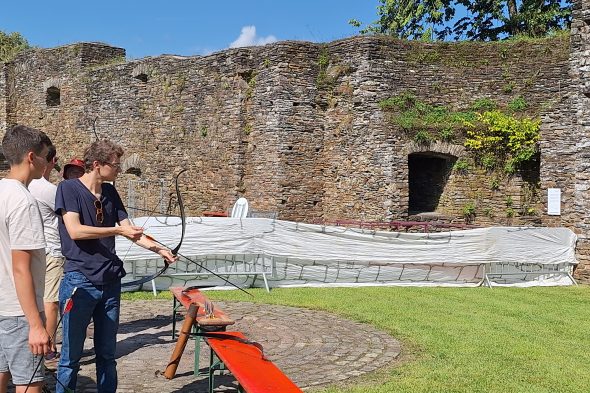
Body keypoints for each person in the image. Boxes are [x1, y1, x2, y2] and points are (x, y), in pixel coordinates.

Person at [55, 139, 176, 393]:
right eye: (115, 165)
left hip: (110, 282)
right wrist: (117, 230)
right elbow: (75, 231)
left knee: (107, 355)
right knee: (70, 359)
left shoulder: (110, 192)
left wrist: (160, 248)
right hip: (80, 281)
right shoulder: (68, 188)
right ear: (97, 165)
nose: (119, 170)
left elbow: (131, 231)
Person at [0, 125, 52, 393]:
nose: (48, 161)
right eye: (46, 155)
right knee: (29, 383)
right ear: (32, 157)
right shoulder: (23, 201)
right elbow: (21, 269)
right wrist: (36, 325)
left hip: (3, 305)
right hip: (19, 312)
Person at [28, 146, 63, 368]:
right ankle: (48, 346)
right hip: (52, 251)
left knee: (38, 298)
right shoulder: (48, 189)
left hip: (33, 251)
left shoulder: (25, 186)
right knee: (51, 301)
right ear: (52, 161)